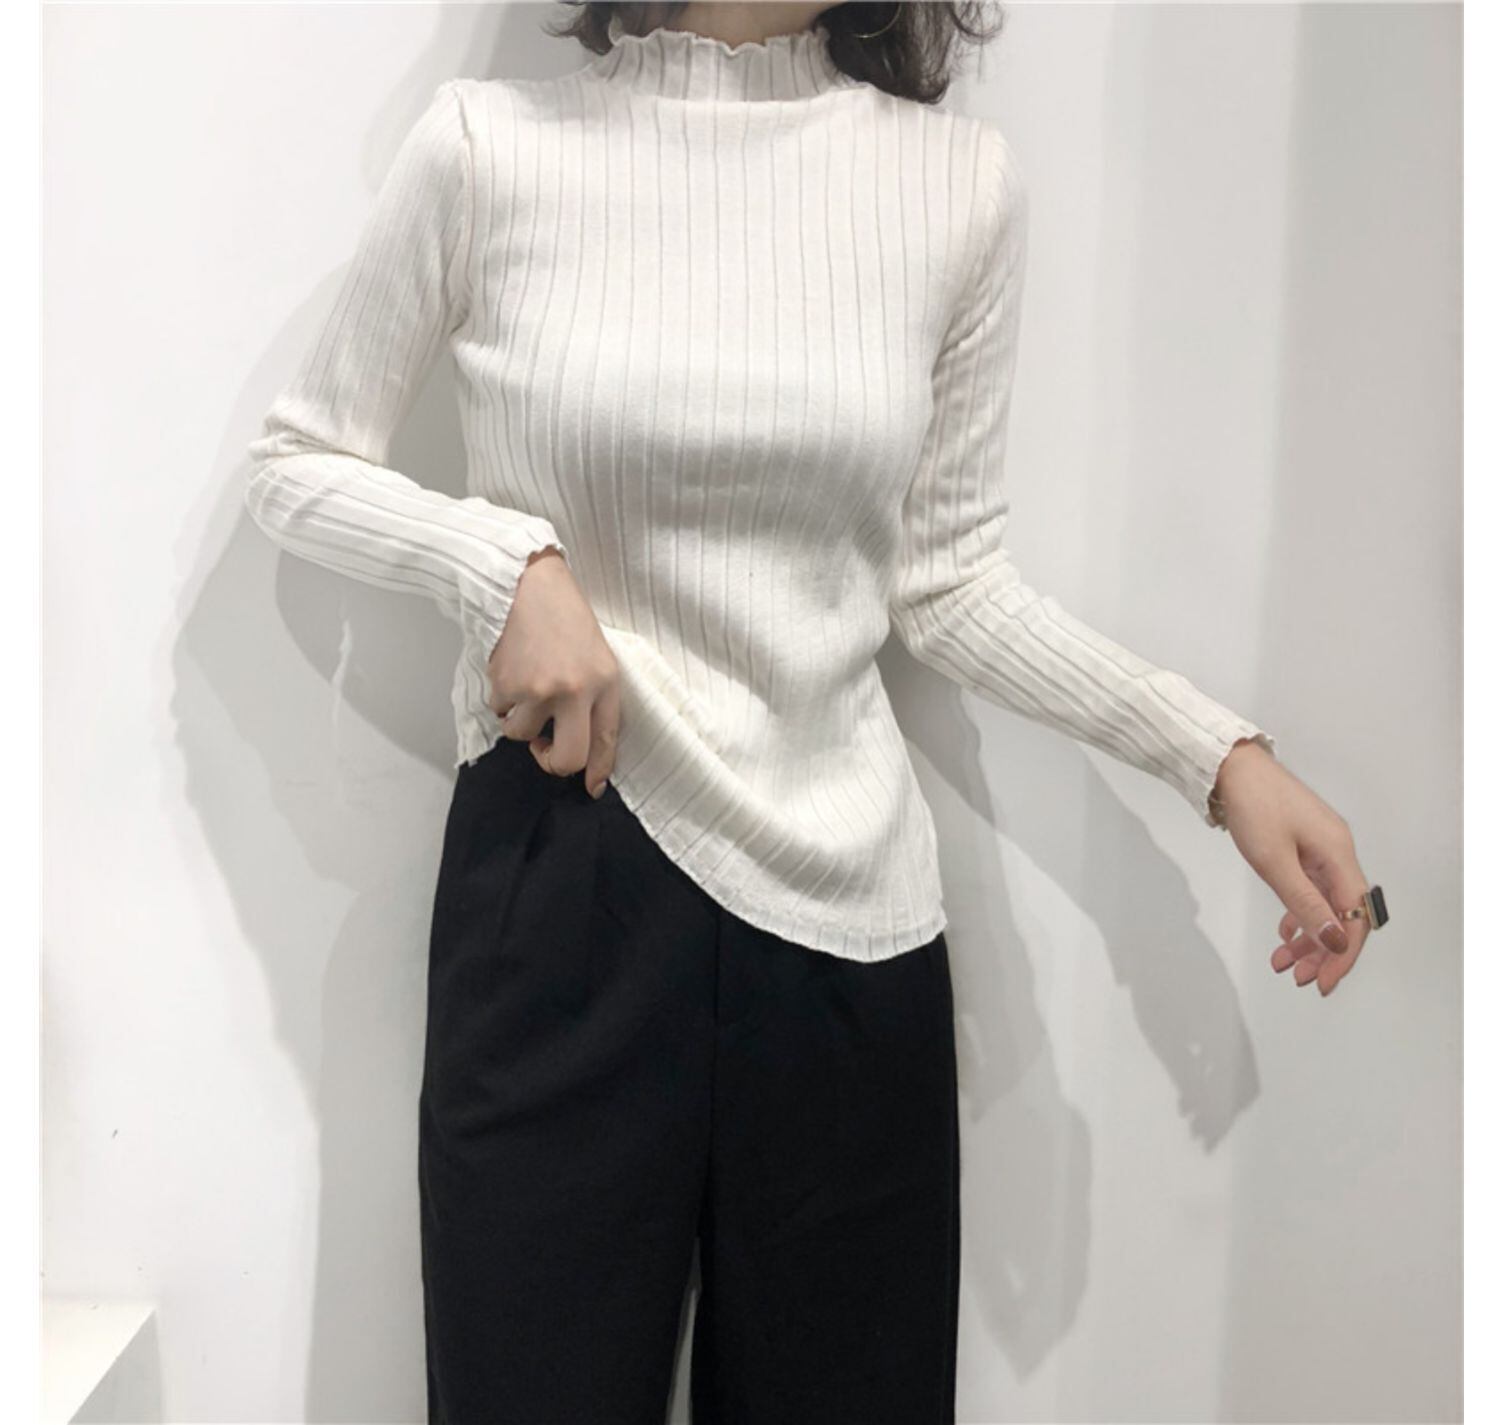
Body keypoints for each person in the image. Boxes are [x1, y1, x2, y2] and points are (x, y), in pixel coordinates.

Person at [243, 2, 1389, 1419]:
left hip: (849, 924)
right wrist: (505, 566)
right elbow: (298, 461)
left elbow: (949, 584)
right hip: (561, 882)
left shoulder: (955, 186)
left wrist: (1218, 756)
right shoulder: (490, 150)